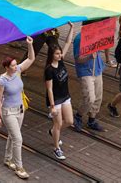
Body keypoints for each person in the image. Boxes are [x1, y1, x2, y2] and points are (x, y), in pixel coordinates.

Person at [0, 36, 35, 179]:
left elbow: (30, 59)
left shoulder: (18, 70)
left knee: (13, 136)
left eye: (16, 64)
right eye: (12, 65)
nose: (15, 66)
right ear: (6, 67)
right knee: (18, 139)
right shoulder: (2, 80)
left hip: (20, 109)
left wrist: (29, 45)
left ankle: (7, 159)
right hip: (8, 112)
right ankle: (19, 167)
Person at [45, 22, 75, 160]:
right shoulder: (49, 70)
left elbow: (68, 42)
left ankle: (52, 132)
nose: (60, 55)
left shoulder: (61, 61)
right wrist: (52, 107)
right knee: (58, 123)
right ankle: (56, 148)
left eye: (60, 53)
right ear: (52, 55)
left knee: (69, 121)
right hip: (55, 99)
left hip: (65, 96)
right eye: (57, 54)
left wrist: (72, 29)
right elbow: (49, 89)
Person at [72, 24, 105, 132]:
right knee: (90, 98)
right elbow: (78, 59)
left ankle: (92, 119)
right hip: (86, 71)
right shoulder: (79, 39)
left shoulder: (97, 36)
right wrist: (90, 56)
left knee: (98, 97)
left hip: (97, 69)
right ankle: (78, 115)